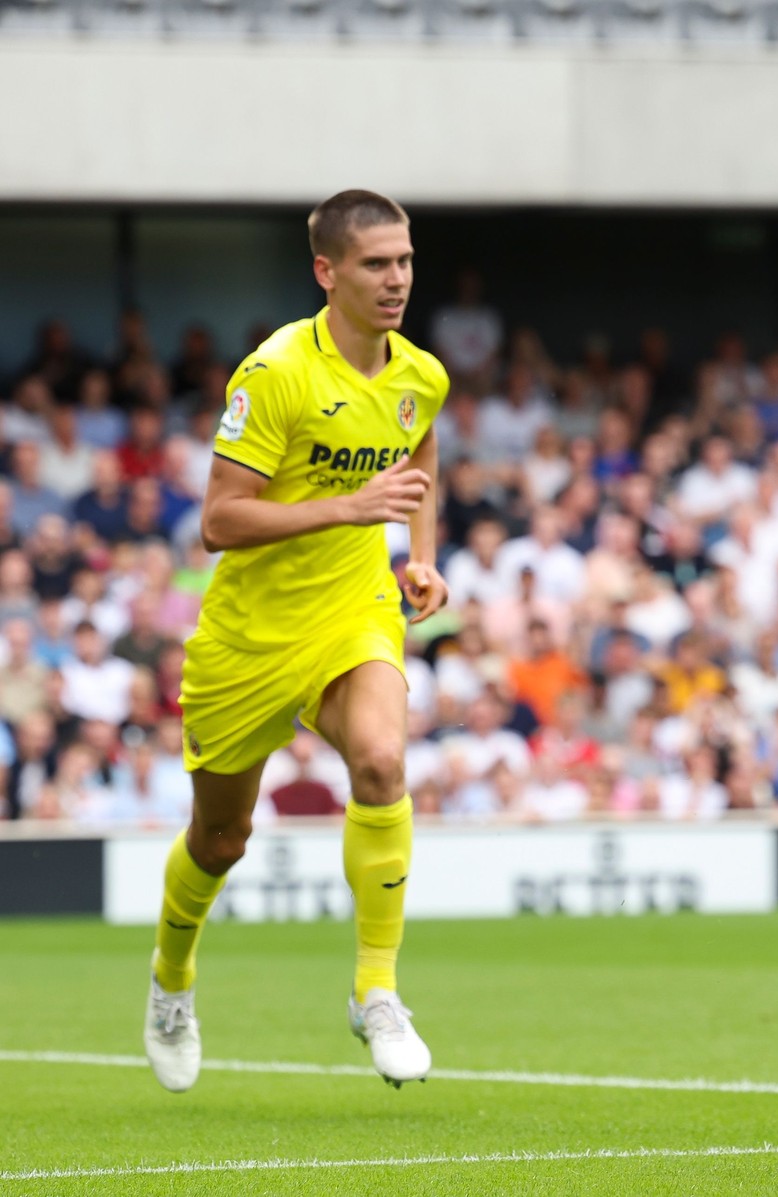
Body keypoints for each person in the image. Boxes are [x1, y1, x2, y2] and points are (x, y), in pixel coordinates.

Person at [142, 191, 451, 1095]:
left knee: (384, 764)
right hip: (247, 637)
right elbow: (217, 522)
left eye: (404, 261)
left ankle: (377, 990)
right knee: (221, 836)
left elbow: (421, 458)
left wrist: (422, 558)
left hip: (353, 611)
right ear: (327, 272)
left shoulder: (420, 374)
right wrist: (351, 507)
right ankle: (171, 977)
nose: (395, 279)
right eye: (375, 265)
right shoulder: (274, 372)